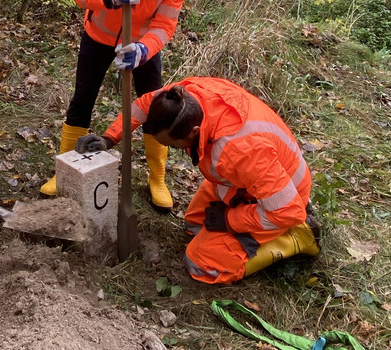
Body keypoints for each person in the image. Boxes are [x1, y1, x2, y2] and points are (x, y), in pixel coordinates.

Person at [77, 77, 320, 284]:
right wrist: (110, 138)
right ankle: (238, 227)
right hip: (244, 182)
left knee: (201, 264)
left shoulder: (239, 150)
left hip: (282, 203)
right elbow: (143, 106)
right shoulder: (184, 97)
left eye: (171, 145)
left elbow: (287, 211)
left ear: (193, 133)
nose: (169, 149)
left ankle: (295, 239)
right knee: (195, 224)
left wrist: (229, 220)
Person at [40, 0, 191, 212]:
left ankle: (157, 178)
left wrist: (145, 49)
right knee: (83, 98)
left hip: (141, 44)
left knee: (155, 105)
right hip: (99, 35)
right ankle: (66, 169)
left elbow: (166, 22)